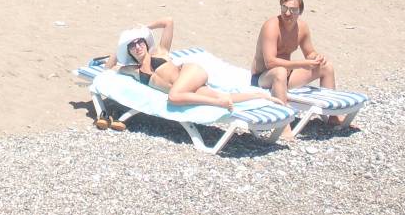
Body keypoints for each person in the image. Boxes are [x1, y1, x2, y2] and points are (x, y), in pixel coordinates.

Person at [101, 17, 282, 130]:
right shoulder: (133, 71)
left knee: (173, 97)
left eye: (140, 42)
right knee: (224, 96)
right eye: (132, 45)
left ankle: (218, 103)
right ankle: (261, 97)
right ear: (129, 51)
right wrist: (121, 47)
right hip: (186, 90)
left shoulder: (160, 52)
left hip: (191, 72)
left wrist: (143, 29)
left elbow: (168, 22)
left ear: (146, 43)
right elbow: (109, 68)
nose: (137, 46)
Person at [251, 0, 340, 137]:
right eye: (284, 8)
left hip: (287, 77)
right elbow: (270, 61)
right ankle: (283, 126)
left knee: (326, 66)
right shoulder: (271, 27)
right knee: (279, 71)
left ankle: (333, 116)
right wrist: (301, 64)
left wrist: (316, 58)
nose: (287, 13)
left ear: (300, 12)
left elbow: (309, 52)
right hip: (263, 78)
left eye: (293, 10)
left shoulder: (302, 27)